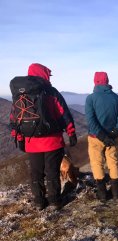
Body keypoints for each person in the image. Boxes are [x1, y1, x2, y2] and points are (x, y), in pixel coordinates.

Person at [10, 63, 77, 210]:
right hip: (52, 141)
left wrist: (19, 139)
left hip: (31, 142)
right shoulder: (51, 92)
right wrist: (71, 133)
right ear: (43, 74)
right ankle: (54, 201)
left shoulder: (20, 94)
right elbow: (64, 114)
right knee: (52, 171)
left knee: (36, 173)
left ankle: (39, 202)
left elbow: (14, 119)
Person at [85, 72, 118, 201]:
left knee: (97, 163)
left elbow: (91, 120)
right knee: (112, 162)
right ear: (107, 81)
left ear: (95, 82)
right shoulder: (117, 99)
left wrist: (102, 136)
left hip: (95, 137)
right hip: (112, 137)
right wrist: (114, 133)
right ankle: (115, 193)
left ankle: (103, 195)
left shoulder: (90, 98)